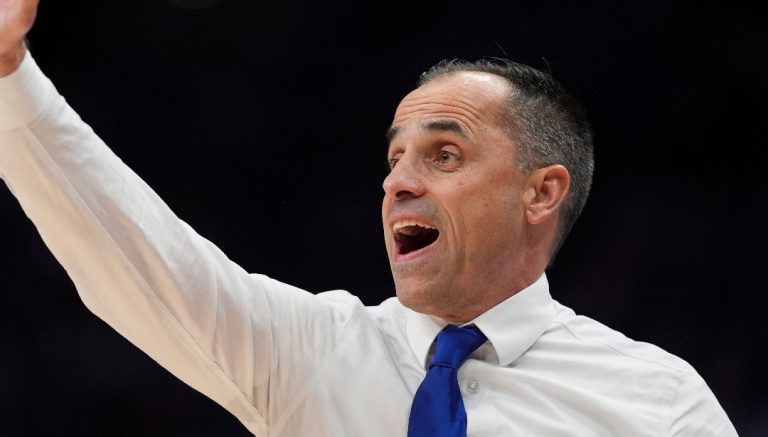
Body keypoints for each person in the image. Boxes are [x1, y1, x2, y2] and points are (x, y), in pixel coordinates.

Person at [0, 1, 737, 436]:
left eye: (444, 154)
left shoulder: (658, 400)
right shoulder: (311, 350)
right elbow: (141, 256)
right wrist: (10, 71)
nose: (400, 183)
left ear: (540, 192)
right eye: (395, 159)